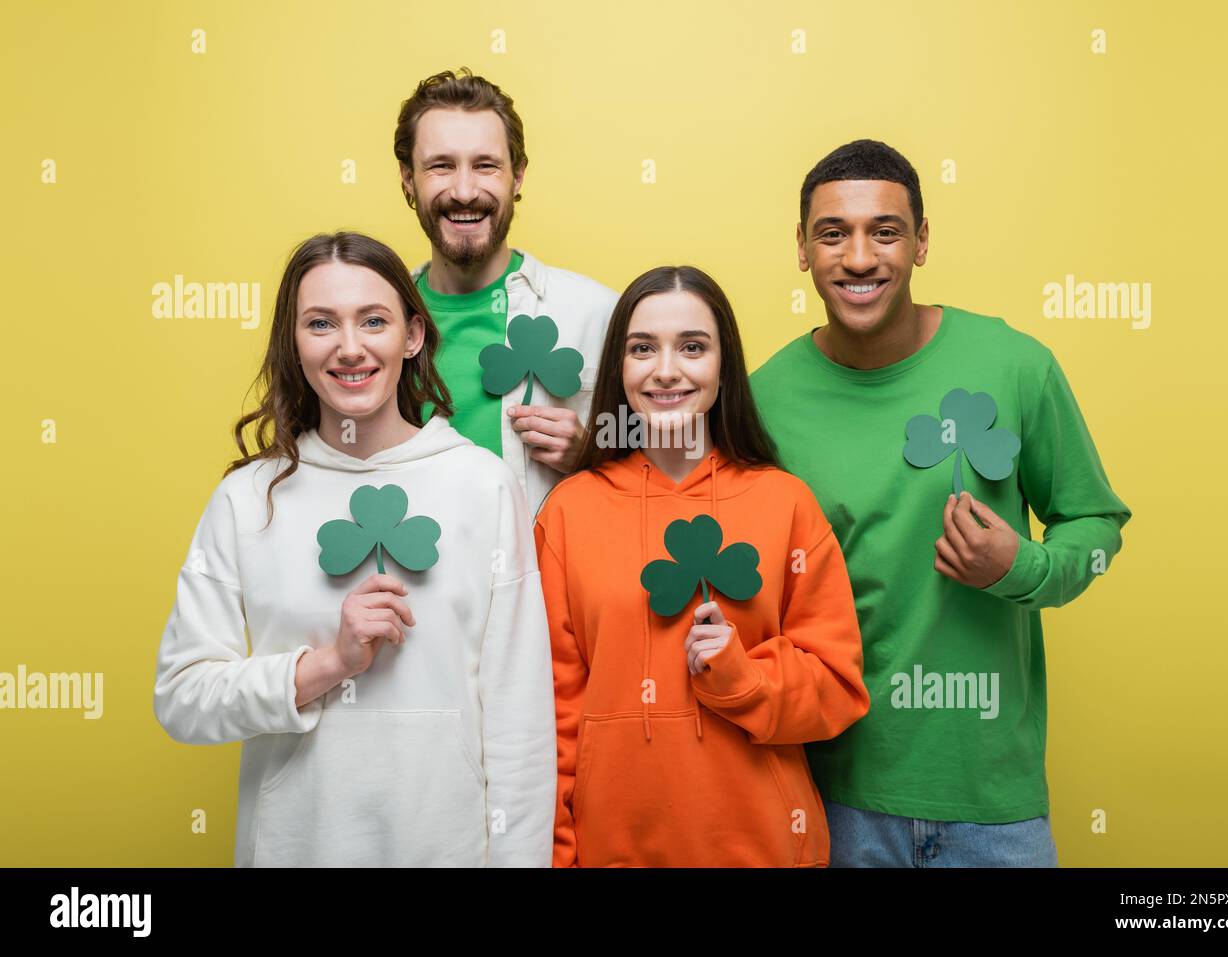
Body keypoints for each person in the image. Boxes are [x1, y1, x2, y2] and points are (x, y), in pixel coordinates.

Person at [750, 140, 1132, 867]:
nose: (859, 257)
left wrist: (1021, 565)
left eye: (885, 231)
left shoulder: (1014, 364)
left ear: (922, 242)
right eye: (832, 232)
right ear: (801, 248)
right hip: (833, 799)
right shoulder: (762, 399)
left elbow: (1097, 526)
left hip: (993, 807)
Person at [152, 231, 555, 867]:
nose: (350, 347)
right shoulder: (245, 500)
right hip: (297, 848)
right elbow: (181, 698)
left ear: (413, 336)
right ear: (294, 341)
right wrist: (324, 665)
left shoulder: (482, 486)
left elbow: (520, 721)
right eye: (320, 323)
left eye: (374, 320)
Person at [534, 265, 870, 867]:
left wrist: (744, 679)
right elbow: (552, 712)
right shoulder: (567, 512)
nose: (667, 370)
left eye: (693, 347)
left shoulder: (785, 502)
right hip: (615, 851)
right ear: (618, 367)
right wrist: (559, 857)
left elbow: (838, 687)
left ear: (724, 365)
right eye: (643, 348)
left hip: (765, 849)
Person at [394, 67, 617, 515]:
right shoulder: (373, 326)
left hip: (541, 583)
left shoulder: (598, 313)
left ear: (517, 178)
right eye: (440, 166)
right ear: (407, 178)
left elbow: (670, 453)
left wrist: (595, 455)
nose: (463, 191)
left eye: (485, 166)